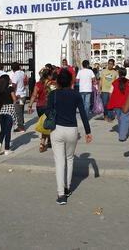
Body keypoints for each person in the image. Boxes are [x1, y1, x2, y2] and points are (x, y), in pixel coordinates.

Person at [44, 69, 92, 205]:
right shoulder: (75, 95)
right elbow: (83, 114)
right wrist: (88, 132)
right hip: (72, 129)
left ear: (58, 81)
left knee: (59, 161)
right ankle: (67, 187)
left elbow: (47, 111)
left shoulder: (53, 94)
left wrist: (53, 112)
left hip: (57, 129)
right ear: (71, 81)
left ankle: (61, 195)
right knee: (70, 158)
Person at [28, 68, 56, 152]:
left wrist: (30, 105)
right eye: (51, 75)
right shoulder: (53, 84)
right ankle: (42, 143)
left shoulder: (38, 84)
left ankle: (48, 140)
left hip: (39, 106)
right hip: (49, 106)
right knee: (49, 124)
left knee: (44, 123)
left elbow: (33, 95)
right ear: (49, 76)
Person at [0, 74, 17, 155]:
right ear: (7, 81)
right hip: (9, 110)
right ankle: (7, 149)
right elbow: (14, 99)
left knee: (2, 129)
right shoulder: (10, 88)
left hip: (1, 110)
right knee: (8, 130)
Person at [107, 68, 129, 141]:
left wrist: (112, 102)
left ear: (119, 74)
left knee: (120, 119)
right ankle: (122, 136)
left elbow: (110, 93)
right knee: (125, 120)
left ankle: (122, 134)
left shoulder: (115, 82)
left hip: (117, 104)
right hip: (127, 104)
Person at [8, 62, 28, 132]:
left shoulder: (15, 75)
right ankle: (22, 123)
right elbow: (25, 81)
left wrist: (10, 91)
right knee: (21, 110)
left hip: (18, 95)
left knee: (18, 112)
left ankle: (21, 127)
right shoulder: (22, 73)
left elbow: (14, 85)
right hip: (23, 94)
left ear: (12, 68)